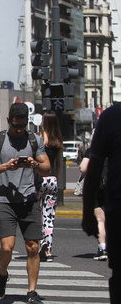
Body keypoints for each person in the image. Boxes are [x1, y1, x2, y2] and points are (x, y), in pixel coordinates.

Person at [0, 102, 50, 304]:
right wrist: (5, 167)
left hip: (28, 200)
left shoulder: (34, 140)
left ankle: (31, 292)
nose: (19, 130)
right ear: (9, 120)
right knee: (7, 247)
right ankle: (2, 275)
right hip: (3, 201)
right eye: (15, 126)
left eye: (22, 126)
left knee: (32, 247)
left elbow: (47, 169)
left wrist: (34, 164)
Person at [82, 102, 121, 304]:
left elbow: (94, 168)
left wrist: (88, 213)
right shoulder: (111, 117)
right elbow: (94, 167)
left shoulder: (111, 116)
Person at [37, 110, 63, 262]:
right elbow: (58, 163)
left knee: (36, 212)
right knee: (49, 216)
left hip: (40, 179)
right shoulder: (59, 139)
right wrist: (56, 179)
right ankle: (48, 250)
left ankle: (40, 242)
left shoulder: (41, 137)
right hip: (52, 179)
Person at [80, 146, 107, 261]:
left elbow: (83, 168)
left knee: (100, 220)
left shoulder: (93, 149)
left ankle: (102, 249)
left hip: (99, 186)